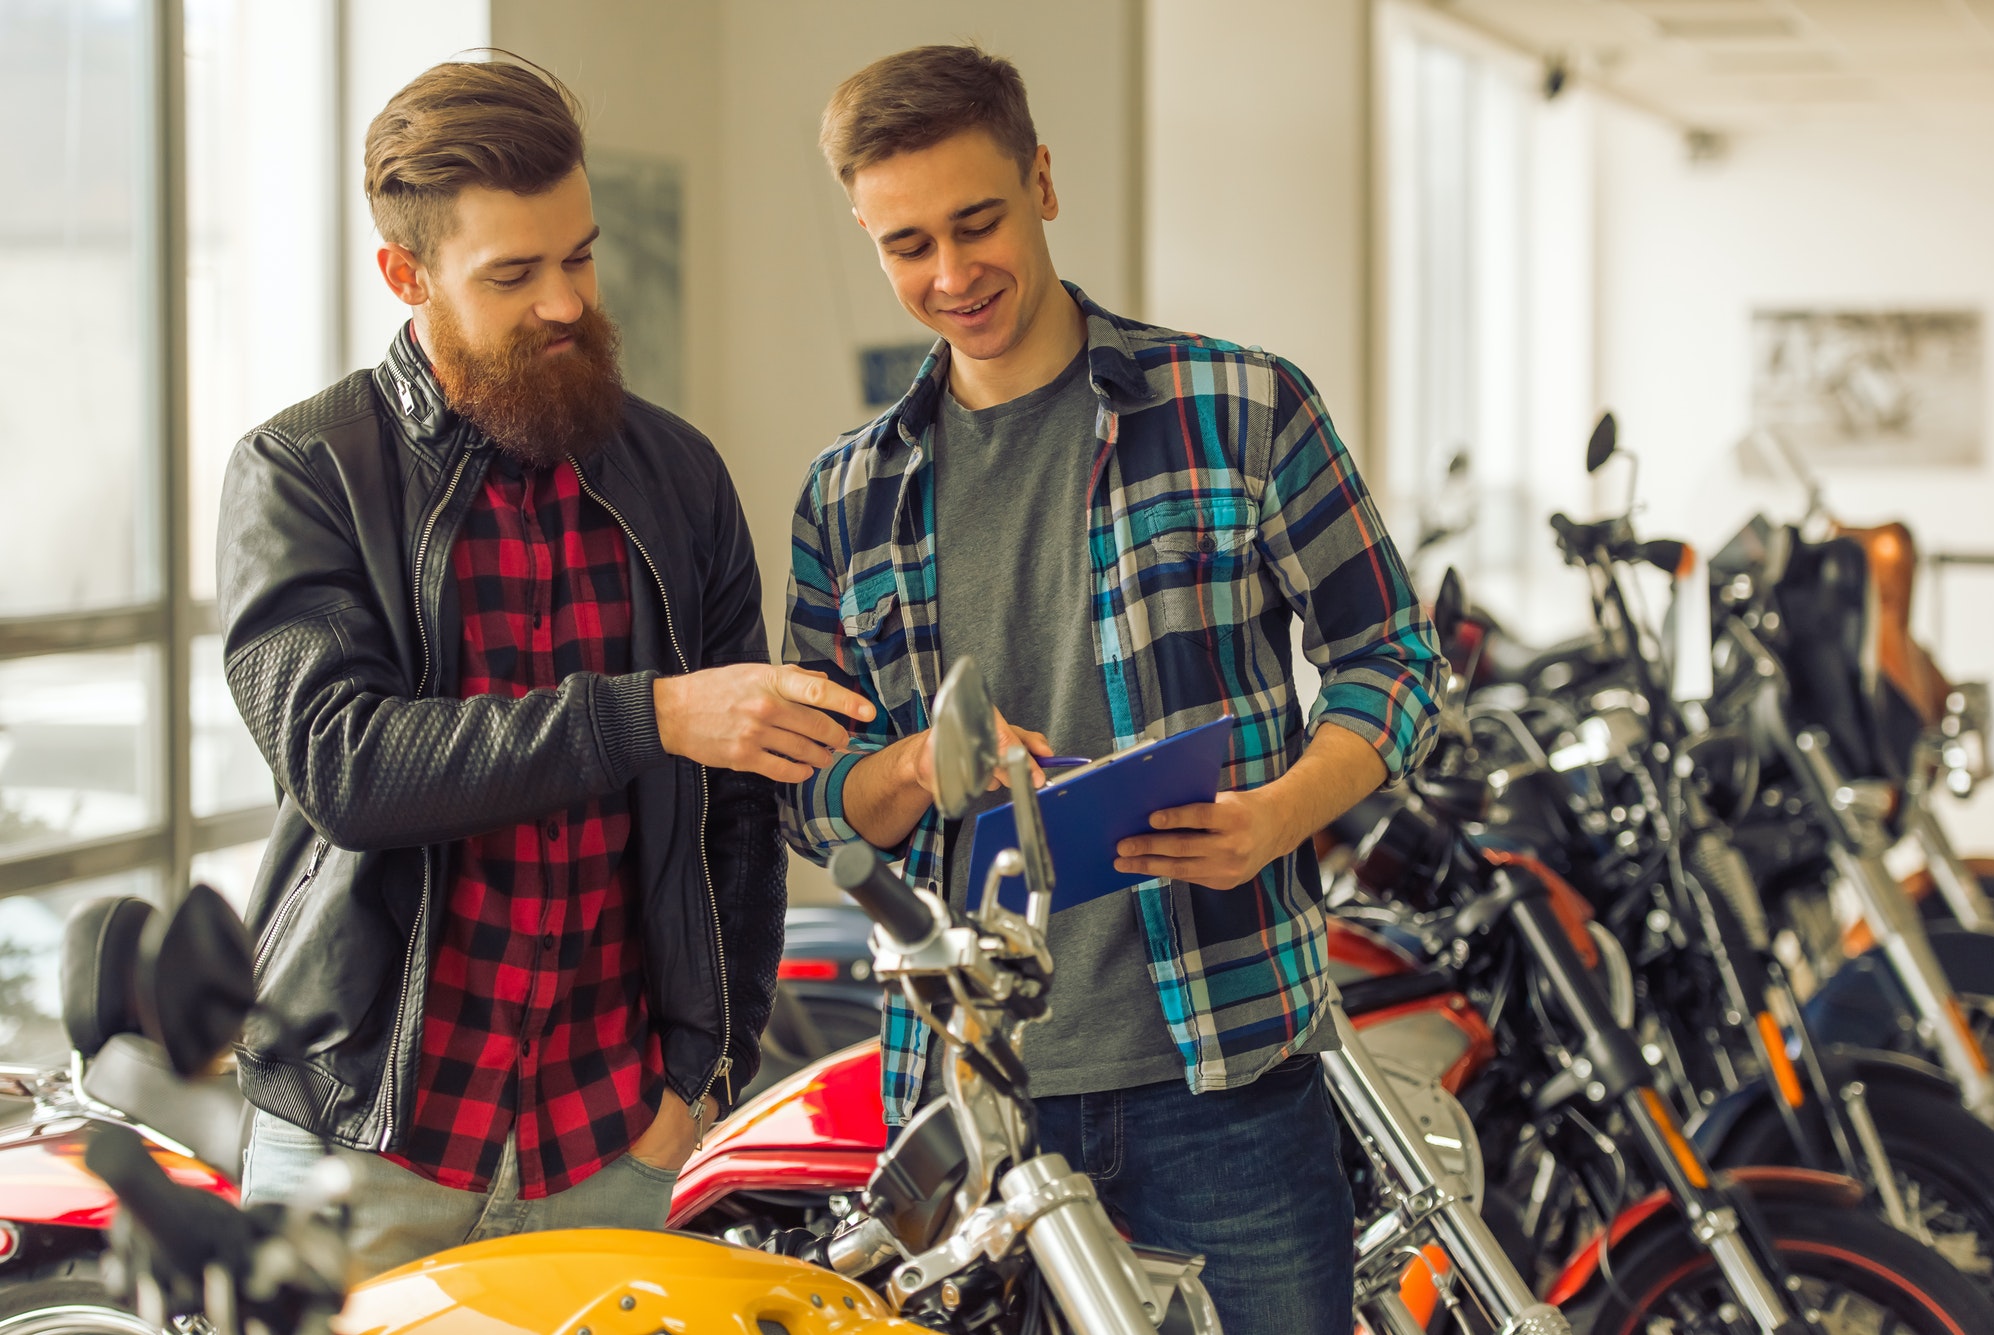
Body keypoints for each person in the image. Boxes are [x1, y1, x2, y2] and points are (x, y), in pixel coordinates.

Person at [780, 44, 1444, 1333]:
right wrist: (914, 766)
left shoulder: (1239, 405)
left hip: (1223, 1078)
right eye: (906, 245)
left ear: (1041, 180)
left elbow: (1392, 659)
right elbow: (812, 798)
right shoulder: (846, 496)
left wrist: (1279, 816)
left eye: (977, 222)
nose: (950, 274)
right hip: (971, 1105)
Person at [219, 56, 873, 1277]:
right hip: (360, 1147)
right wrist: (647, 715)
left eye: (578, 256)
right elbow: (344, 767)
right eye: (512, 274)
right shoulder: (302, 471)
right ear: (405, 276)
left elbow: (738, 806)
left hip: (613, 1146)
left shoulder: (679, 476)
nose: (565, 303)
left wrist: (706, 1072)